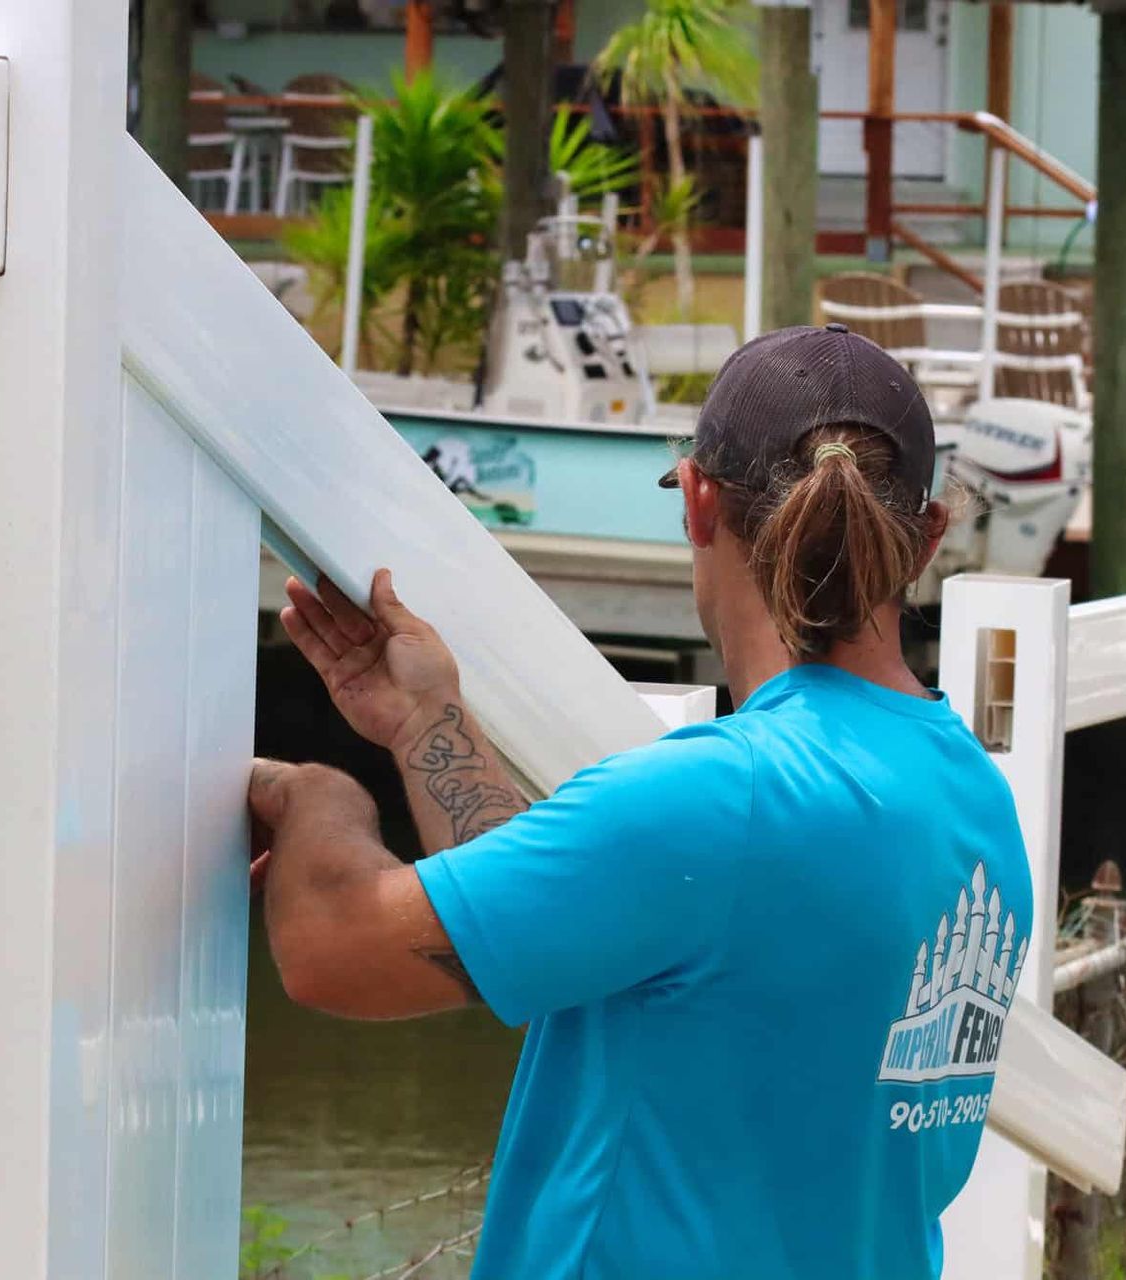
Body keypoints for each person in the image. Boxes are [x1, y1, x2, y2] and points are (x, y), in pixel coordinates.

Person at [247, 325, 1034, 1279]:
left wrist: (315, 794)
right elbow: (581, 938)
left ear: (698, 504)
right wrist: (428, 727)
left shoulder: (722, 799)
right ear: (930, 535)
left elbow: (334, 949)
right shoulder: (973, 798)